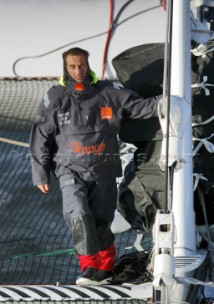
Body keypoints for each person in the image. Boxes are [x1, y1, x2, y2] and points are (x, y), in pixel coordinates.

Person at [29, 47, 161, 286]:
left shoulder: (108, 93)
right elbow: (40, 136)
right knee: (78, 214)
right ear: (65, 68)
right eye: (72, 66)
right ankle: (89, 267)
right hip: (69, 169)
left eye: (81, 65)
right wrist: (40, 173)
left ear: (87, 65)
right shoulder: (56, 97)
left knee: (101, 221)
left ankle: (105, 270)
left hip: (104, 169)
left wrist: (168, 102)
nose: (78, 71)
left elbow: (140, 107)